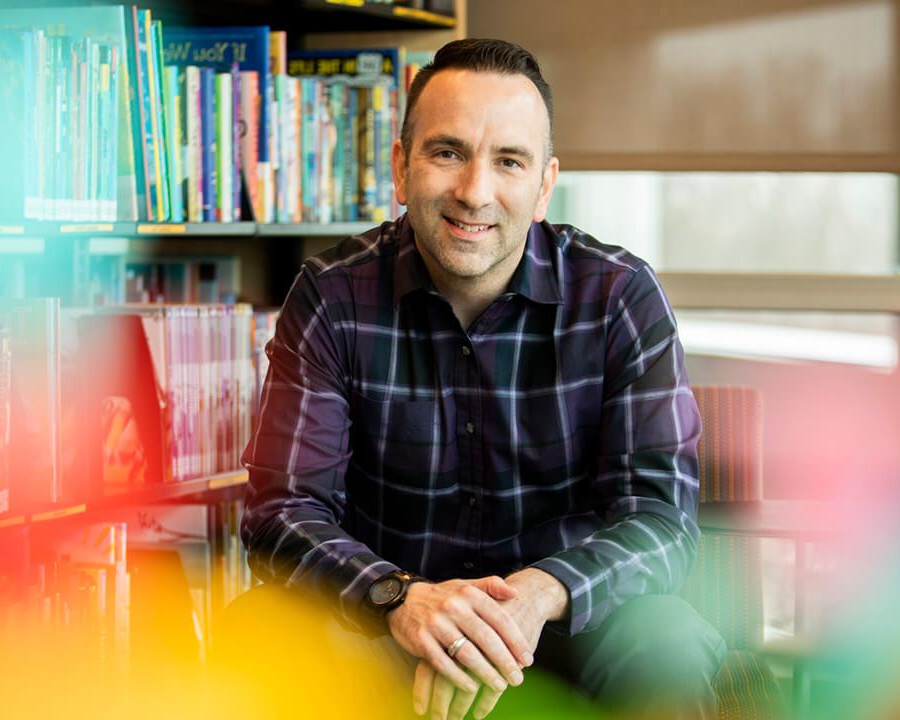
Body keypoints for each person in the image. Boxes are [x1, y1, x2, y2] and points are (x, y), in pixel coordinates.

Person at [237, 38, 726, 720]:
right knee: (262, 629)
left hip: (568, 625)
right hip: (389, 622)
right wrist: (396, 596)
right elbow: (280, 509)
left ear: (544, 183)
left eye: (509, 161)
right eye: (447, 152)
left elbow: (662, 521)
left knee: (669, 640)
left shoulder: (620, 297)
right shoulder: (331, 296)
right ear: (402, 167)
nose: (475, 191)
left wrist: (537, 594)